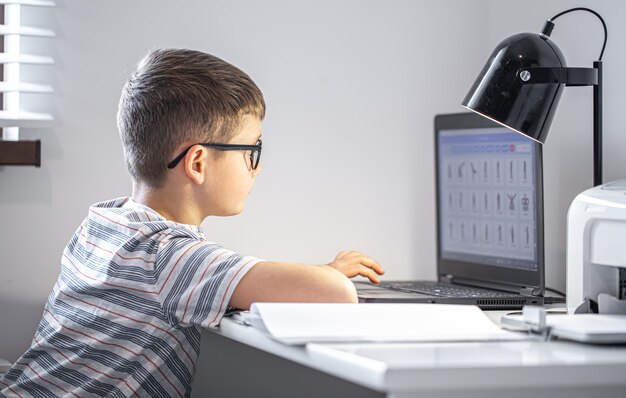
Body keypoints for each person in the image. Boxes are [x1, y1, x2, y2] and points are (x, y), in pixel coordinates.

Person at [0, 48, 384, 398]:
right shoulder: (168, 256)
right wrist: (328, 272)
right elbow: (336, 293)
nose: (259, 166)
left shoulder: (102, 223)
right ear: (197, 163)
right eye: (252, 150)